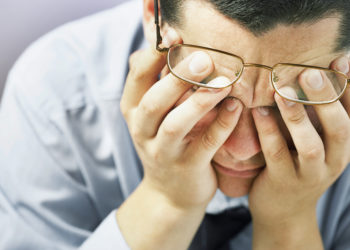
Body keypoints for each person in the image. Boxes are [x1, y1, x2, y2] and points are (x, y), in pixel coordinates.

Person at [1, 0, 350, 249]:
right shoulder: (58, 97)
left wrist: (288, 223)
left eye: (295, 100)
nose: (241, 150)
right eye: (208, 88)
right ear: (155, 14)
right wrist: (167, 202)